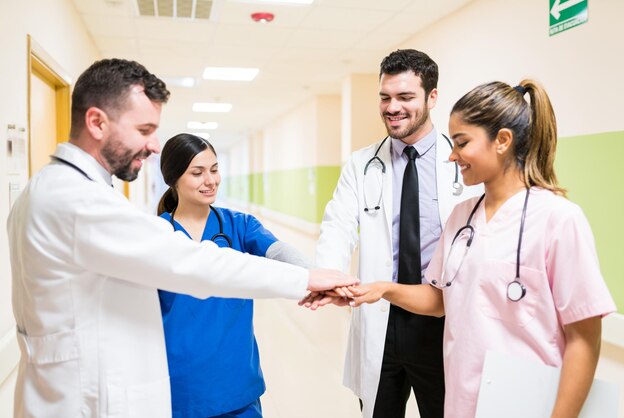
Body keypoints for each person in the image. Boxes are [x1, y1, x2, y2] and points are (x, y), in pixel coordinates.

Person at [7, 58, 355, 418]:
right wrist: (306, 279)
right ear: (96, 122)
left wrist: (308, 272)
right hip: (83, 400)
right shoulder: (75, 201)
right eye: (144, 130)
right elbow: (194, 261)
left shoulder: (55, 191)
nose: (155, 145)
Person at [348, 79, 616, 418]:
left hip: (529, 403)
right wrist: (383, 288)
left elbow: (584, 338)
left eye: (462, 142)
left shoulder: (558, 219)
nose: (451, 154)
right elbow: (439, 300)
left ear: (502, 141)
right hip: (463, 400)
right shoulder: (462, 217)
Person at [313, 49, 482, 418]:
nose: (392, 107)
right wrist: (327, 273)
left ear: (432, 97)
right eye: (385, 97)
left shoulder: (462, 162)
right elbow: (338, 225)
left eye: (405, 97)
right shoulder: (362, 164)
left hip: (441, 321)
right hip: (382, 318)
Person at [156, 133, 312, 418]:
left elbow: (278, 252)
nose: (210, 180)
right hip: (179, 386)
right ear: (173, 178)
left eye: (214, 169)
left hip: (236, 383)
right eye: (197, 173)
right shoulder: (155, 234)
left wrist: (315, 275)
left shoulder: (238, 225)